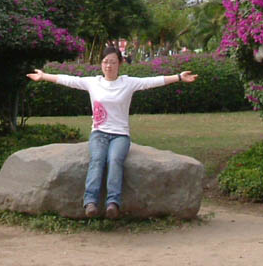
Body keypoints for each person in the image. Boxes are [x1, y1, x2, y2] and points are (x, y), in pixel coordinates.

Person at [27, 47, 198, 219]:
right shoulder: (93, 82)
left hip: (120, 135)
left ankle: (112, 204)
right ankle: (90, 202)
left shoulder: (128, 83)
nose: (109, 66)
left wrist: (178, 77)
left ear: (120, 64)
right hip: (99, 133)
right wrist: (44, 76)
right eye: (105, 62)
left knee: (115, 160)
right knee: (97, 160)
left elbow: (151, 81)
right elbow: (69, 80)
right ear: (101, 64)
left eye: (113, 62)